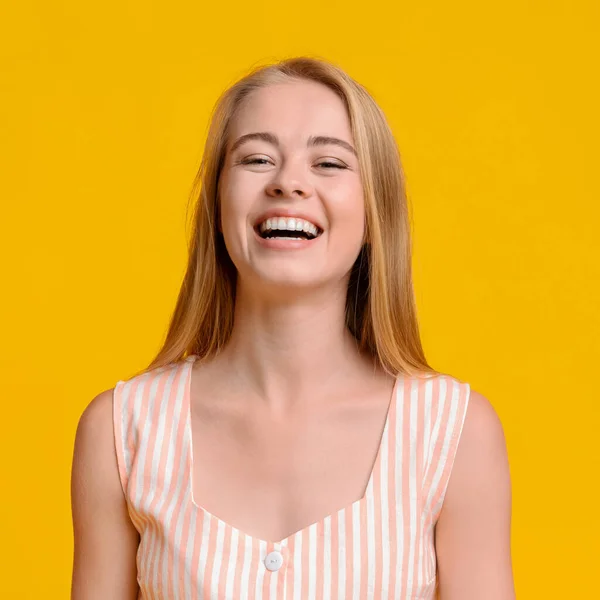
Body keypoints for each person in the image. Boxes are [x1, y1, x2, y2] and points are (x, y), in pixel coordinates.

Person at [70, 56, 515, 599]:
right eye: (256, 158)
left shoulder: (453, 432)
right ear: (216, 202)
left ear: (376, 211)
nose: (288, 183)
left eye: (329, 163)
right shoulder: (121, 431)